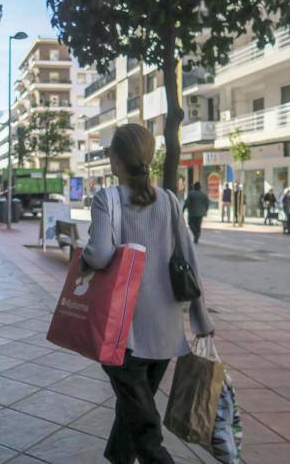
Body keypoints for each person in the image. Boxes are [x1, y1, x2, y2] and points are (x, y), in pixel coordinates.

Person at [82, 124, 214, 464]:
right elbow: (188, 259)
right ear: (150, 158)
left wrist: (83, 261)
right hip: (166, 332)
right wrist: (201, 319)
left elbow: (97, 255)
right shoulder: (169, 200)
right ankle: (118, 457)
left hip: (122, 332)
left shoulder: (107, 198)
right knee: (134, 407)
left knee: (144, 427)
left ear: (114, 161)